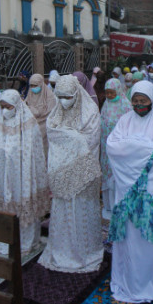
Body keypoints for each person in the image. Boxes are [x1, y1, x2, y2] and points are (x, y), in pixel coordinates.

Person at [107, 80, 153, 303]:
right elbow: (112, 146)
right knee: (131, 238)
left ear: (152, 100)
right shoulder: (125, 120)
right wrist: (143, 149)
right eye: (135, 101)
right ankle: (129, 281)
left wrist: (134, 149)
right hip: (129, 193)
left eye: (143, 101)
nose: (139, 105)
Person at [39, 75, 103, 273]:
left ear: (76, 94)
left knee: (82, 210)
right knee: (64, 210)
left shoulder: (90, 111)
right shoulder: (57, 110)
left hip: (82, 174)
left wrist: (68, 136)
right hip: (62, 172)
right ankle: (61, 249)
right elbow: (52, 132)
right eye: (60, 96)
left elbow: (91, 139)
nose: (64, 100)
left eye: (67, 96)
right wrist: (72, 137)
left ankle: (86, 251)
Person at [0, 90, 50, 254]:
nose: (5, 111)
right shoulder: (1, 122)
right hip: (4, 175)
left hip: (23, 177)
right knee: (7, 207)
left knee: (23, 207)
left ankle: (26, 242)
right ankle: (6, 238)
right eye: (2, 107)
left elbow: (33, 155)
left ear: (16, 105)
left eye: (8, 107)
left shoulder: (29, 124)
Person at [99, 78, 132, 220]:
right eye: (107, 93)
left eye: (112, 93)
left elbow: (130, 128)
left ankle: (119, 207)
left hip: (121, 150)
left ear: (118, 91)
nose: (110, 96)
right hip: (106, 148)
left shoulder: (126, 106)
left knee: (118, 177)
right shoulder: (106, 105)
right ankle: (109, 206)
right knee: (107, 176)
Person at [25, 73, 57, 160]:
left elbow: (50, 112)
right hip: (32, 129)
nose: (33, 88)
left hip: (45, 130)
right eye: (31, 85)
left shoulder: (50, 97)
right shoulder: (30, 94)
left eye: (35, 85)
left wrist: (34, 111)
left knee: (44, 153)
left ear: (41, 84)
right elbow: (25, 108)